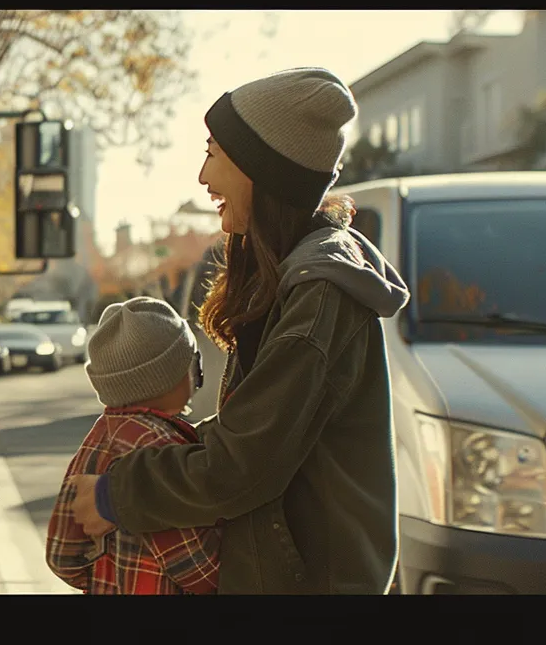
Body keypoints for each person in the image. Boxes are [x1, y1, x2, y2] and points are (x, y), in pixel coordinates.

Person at [66, 67, 411, 594]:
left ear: (261, 170)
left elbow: (244, 463)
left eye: (214, 154)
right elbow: (254, 435)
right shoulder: (293, 275)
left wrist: (121, 494)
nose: (204, 177)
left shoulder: (319, 295)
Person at [45, 297, 223, 595]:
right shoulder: (161, 451)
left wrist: (109, 576)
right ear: (173, 376)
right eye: (194, 362)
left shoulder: (97, 438)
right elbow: (202, 570)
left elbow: (62, 556)